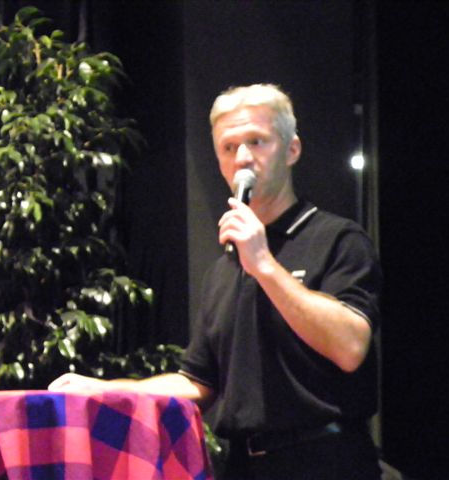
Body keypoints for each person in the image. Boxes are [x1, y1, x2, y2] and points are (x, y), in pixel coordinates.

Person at [49, 84, 382, 479]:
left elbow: (350, 347)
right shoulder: (224, 270)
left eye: (257, 141)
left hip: (326, 460)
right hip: (243, 465)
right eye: (229, 147)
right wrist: (108, 390)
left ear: (292, 150)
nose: (243, 158)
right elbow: (197, 383)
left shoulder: (337, 240)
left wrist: (264, 265)